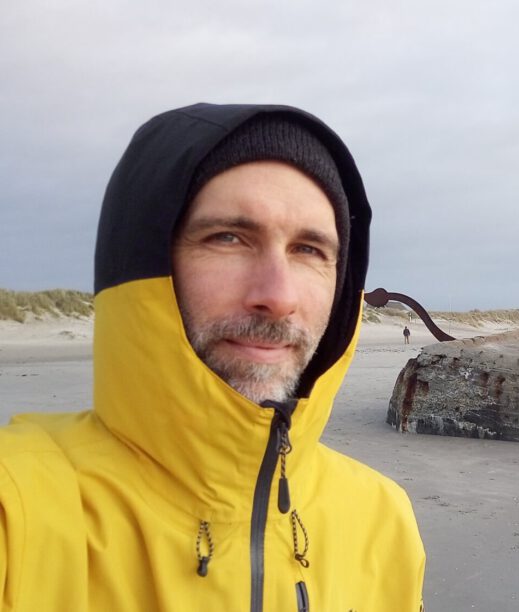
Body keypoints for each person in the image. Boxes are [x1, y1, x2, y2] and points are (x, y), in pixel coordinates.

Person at [0, 104, 425, 610]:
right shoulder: (22, 508)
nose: (278, 295)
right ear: (147, 265)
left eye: (310, 249)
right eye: (228, 237)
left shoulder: (383, 520)